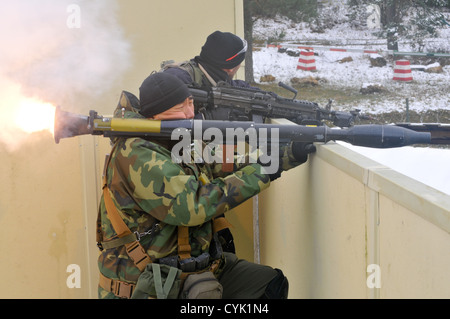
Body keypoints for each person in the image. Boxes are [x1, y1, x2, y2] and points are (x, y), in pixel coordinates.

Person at [96, 72, 312, 299]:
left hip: (192, 272)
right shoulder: (135, 153)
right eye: (181, 107)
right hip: (150, 285)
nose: (191, 112)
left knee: (268, 285)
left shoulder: (176, 139)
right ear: (155, 115)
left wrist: (286, 154)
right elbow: (192, 206)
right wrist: (264, 172)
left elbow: (225, 161)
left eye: (191, 103)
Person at [162, 30, 252, 89]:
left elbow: (239, 87)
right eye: (239, 62)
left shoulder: (215, 79)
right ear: (230, 68)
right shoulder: (178, 79)